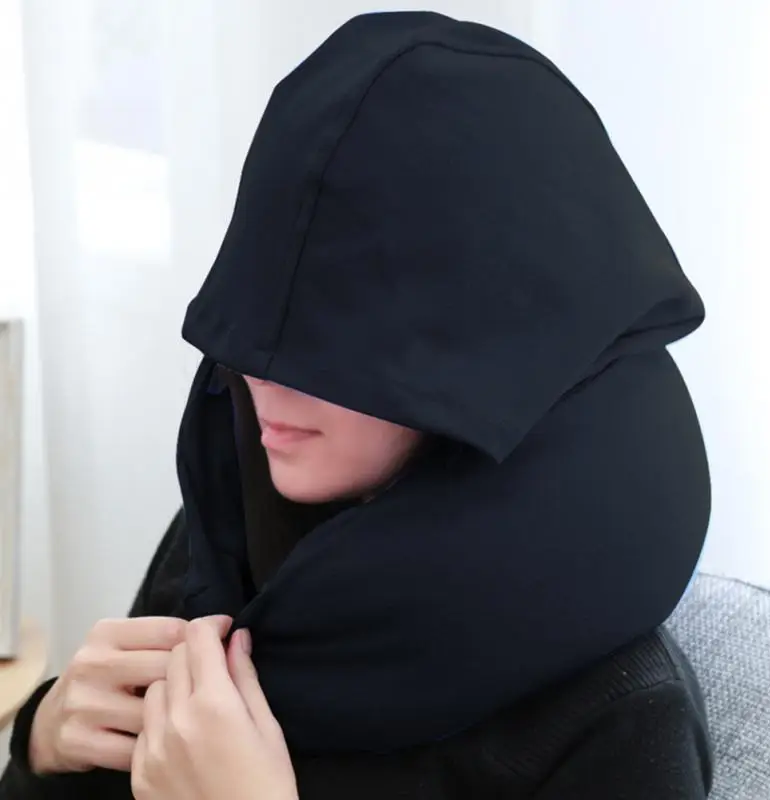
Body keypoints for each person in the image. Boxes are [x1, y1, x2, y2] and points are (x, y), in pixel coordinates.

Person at [0, 10, 714, 799]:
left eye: (334, 341)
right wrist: (44, 745)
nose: (261, 375)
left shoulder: (615, 719)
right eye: (261, 318)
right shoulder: (227, 528)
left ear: (491, 347)